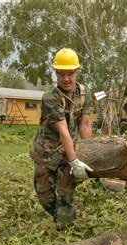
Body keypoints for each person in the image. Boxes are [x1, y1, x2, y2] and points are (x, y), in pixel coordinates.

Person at [30, 48, 94, 228]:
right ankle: (58, 215)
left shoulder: (84, 94)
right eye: (61, 74)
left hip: (69, 151)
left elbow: (85, 124)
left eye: (70, 73)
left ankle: (65, 227)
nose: (66, 78)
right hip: (47, 152)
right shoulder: (50, 98)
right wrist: (75, 161)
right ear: (56, 74)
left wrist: (87, 154)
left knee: (66, 194)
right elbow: (62, 130)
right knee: (45, 196)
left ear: (77, 71)